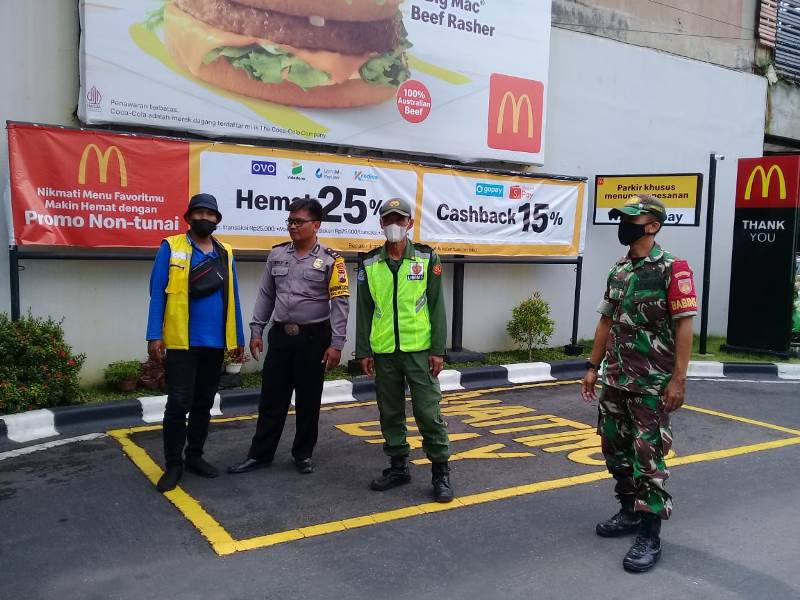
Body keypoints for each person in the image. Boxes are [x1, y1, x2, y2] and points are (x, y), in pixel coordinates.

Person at [581, 194, 697, 573]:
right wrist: (592, 366)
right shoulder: (619, 270)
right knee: (613, 446)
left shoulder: (671, 269)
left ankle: (650, 533)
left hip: (651, 383)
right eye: (622, 217)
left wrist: (678, 379)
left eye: (632, 218)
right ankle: (629, 511)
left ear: (653, 225)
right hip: (616, 379)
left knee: (647, 458)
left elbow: (684, 326)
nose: (623, 224)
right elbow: (605, 321)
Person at [228, 198, 349, 475]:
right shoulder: (277, 255)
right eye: (290, 221)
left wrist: (336, 343)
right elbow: (266, 295)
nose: (293, 226)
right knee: (272, 398)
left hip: (313, 339)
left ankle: (303, 454)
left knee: (308, 399)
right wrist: (257, 329)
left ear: (316, 225)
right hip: (281, 336)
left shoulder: (332, 260)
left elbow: (340, 302)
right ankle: (260, 455)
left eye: (299, 222)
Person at [355, 197, 453, 503]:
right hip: (384, 351)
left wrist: (438, 349)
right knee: (390, 412)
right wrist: (363, 351)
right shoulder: (370, 262)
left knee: (427, 411)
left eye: (400, 219)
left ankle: (441, 472)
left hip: (419, 351)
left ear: (410, 223)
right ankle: (398, 466)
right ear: (381, 224)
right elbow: (364, 310)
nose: (394, 225)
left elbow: (437, 306)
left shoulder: (426, 258)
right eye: (388, 220)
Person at [147, 193, 245, 493]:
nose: (205, 218)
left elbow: (234, 297)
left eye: (210, 214)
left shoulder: (225, 252)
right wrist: (154, 334)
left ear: (217, 220)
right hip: (181, 341)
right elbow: (157, 293)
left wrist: (237, 338)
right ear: (188, 217)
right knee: (178, 403)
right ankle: (173, 463)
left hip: (215, 342)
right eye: (199, 213)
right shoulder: (171, 246)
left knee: (204, 403)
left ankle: (195, 457)